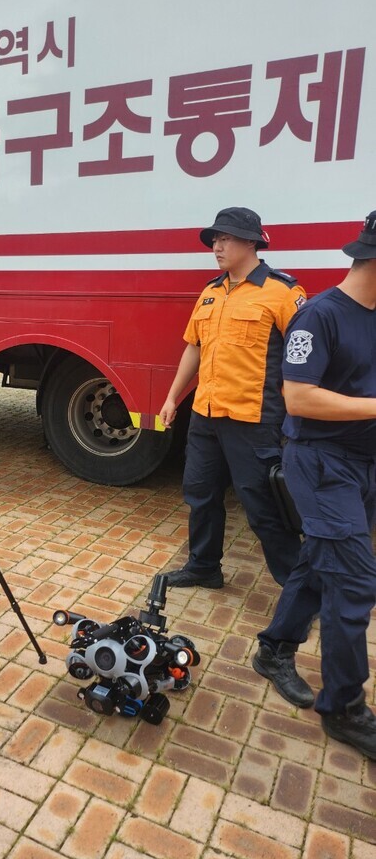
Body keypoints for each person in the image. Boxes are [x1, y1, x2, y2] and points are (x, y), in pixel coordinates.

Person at [252, 211, 376, 759]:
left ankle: (275, 648)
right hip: (322, 463)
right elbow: (299, 398)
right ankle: (345, 708)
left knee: (319, 562)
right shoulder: (320, 316)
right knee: (353, 585)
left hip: (366, 461)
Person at [160, 207, 306, 589]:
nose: (217, 246)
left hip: (253, 421)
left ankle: (298, 592)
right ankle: (204, 566)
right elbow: (194, 347)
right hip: (206, 415)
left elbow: (305, 358)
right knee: (200, 496)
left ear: (252, 241)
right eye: (215, 240)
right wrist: (173, 397)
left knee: (264, 509)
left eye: (225, 238)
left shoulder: (282, 293)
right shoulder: (210, 292)